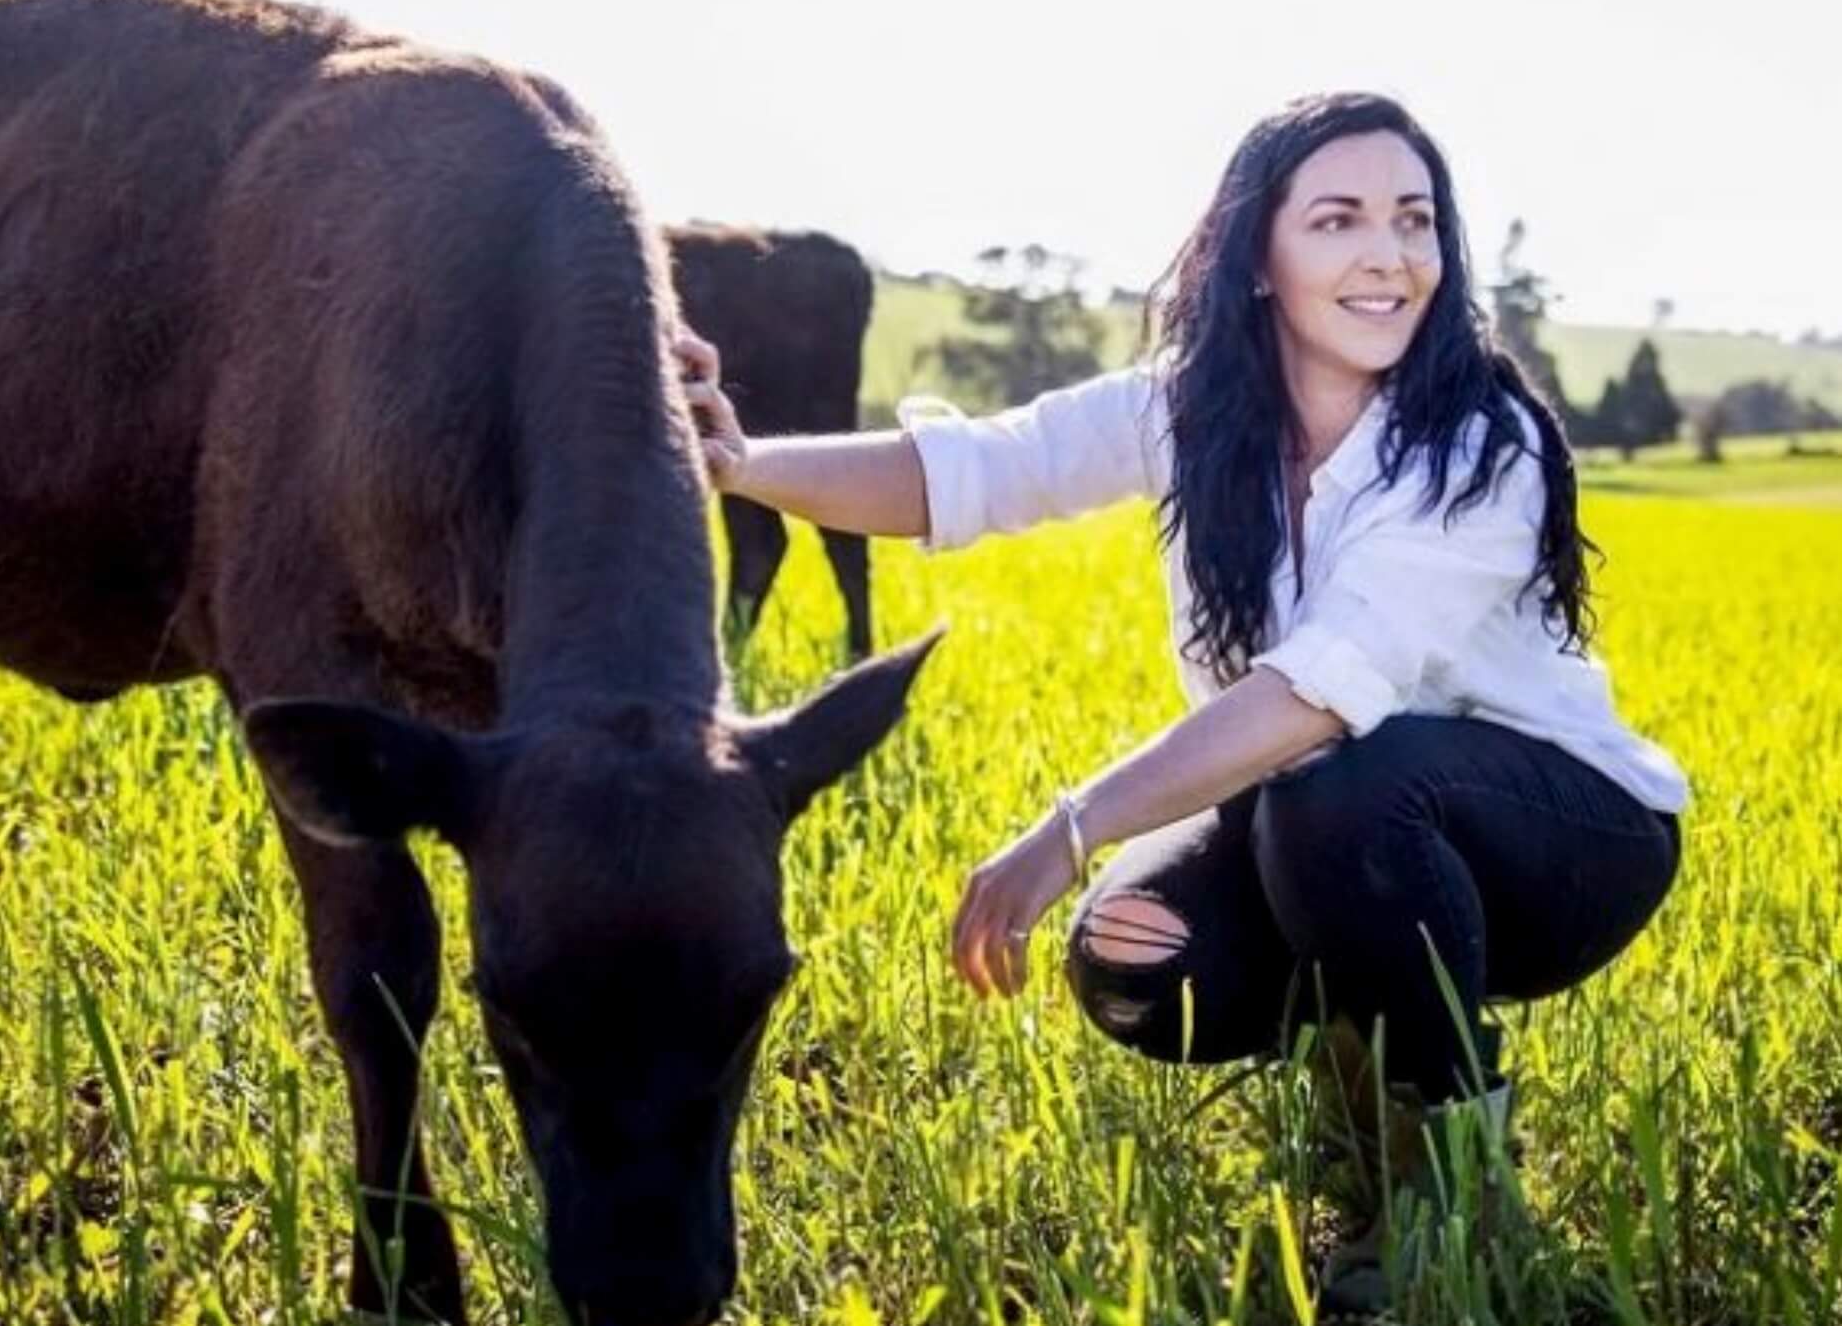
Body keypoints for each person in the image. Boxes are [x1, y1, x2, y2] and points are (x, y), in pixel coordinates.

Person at [675, 91, 1685, 1310]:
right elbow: (972, 471)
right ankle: (1362, 1103)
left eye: (1414, 220)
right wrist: (737, 465)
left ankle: (1450, 1206)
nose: (1388, 254)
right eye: (1338, 219)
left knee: (1337, 789)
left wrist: (1068, 827)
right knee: (1131, 959)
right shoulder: (1190, 407)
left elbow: (1319, 691)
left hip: (1561, 845)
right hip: (1333, 823)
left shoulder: (1479, 441)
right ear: (1259, 255)